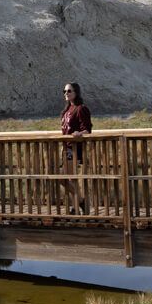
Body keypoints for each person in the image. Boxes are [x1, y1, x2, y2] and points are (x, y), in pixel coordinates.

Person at [60, 82, 92, 214]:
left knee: (67, 177)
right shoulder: (66, 110)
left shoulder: (81, 108)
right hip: (66, 148)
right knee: (66, 178)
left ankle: (76, 205)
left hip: (74, 148)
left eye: (69, 91)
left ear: (76, 92)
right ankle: (79, 202)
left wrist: (79, 133)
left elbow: (87, 129)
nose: (66, 93)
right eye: (64, 91)